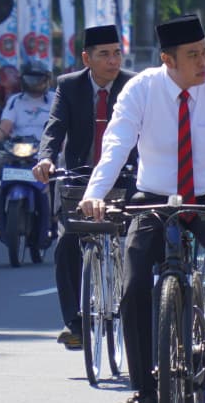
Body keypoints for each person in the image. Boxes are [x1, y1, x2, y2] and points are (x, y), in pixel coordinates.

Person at [77, 13, 205, 403]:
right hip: (154, 196)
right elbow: (117, 143)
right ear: (167, 60)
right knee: (135, 282)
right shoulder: (141, 90)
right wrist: (95, 195)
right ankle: (146, 394)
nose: (204, 62)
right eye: (193, 55)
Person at [33, 24, 137, 349]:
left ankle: (142, 315)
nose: (112, 60)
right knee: (66, 246)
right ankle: (75, 323)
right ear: (86, 58)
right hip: (80, 177)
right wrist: (46, 158)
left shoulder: (135, 86)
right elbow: (55, 127)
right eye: (104, 54)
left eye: (117, 53)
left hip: (127, 177)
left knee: (141, 244)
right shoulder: (69, 86)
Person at [0, 62, 54, 237]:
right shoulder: (15, 101)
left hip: (46, 150)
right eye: (31, 79)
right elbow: (6, 124)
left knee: (60, 174)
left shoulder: (55, 99)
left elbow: (61, 125)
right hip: (18, 149)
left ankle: (55, 216)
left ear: (47, 80)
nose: (35, 83)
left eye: (39, 79)